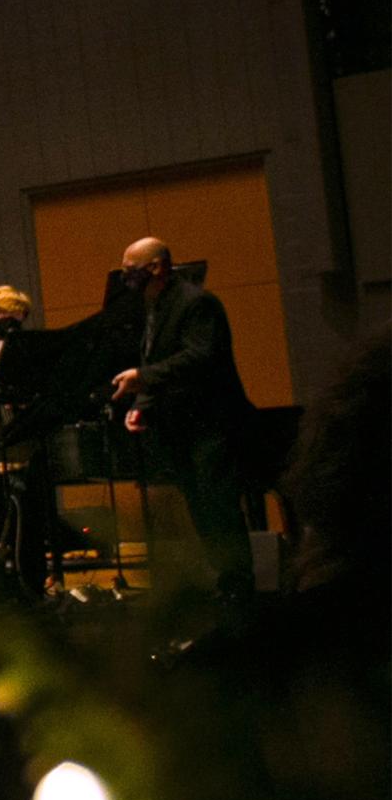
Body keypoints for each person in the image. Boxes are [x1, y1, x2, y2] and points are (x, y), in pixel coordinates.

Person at [108, 237, 254, 596]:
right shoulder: (154, 306)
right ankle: (226, 580)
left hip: (212, 424)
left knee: (219, 507)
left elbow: (199, 357)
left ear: (156, 267)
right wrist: (142, 404)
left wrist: (142, 380)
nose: (126, 278)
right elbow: (154, 358)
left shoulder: (197, 303)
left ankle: (239, 584)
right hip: (183, 426)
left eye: (130, 270)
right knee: (200, 507)